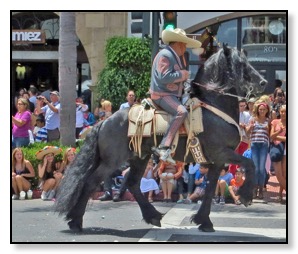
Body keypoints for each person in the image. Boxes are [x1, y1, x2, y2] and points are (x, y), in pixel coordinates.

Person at [149, 28, 202, 164]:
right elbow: (163, 77)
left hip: (171, 94)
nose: (185, 48)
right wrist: (182, 75)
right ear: (178, 44)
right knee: (181, 111)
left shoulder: (171, 55)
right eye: (184, 45)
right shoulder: (166, 55)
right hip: (162, 94)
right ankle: (164, 146)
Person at [246, 101, 270, 199]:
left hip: (264, 145)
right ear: (257, 110)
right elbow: (247, 132)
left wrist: (268, 129)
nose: (262, 111)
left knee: (261, 168)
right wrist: (250, 127)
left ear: (266, 110)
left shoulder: (268, 120)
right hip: (255, 144)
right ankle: (255, 189)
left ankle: (261, 189)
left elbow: (270, 135)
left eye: (264, 109)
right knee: (255, 168)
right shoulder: (253, 119)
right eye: (260, 109)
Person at [229, 98, 251, 176]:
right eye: (241, 106)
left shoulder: (247, 114)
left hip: (244, 138)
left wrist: (244, 126)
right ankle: (232, 176)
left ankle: (239, 177)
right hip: (234, 138)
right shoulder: (231, 113)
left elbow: (249, 126)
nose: (243, 107)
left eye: (244, 105)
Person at [269, 104, 286, 203]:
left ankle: (280, 194)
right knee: (279, 174)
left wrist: (277, 137)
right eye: (282, 111)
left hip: (286, 150)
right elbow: (271, 136)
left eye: (285, 111)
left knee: (284, 173)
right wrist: (279, 132)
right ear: (280, 111)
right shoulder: (275, 122)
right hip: (277, 148)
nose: (283, 113)